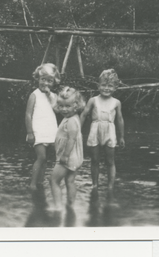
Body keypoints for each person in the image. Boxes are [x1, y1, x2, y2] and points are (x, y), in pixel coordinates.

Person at [80, 69, 125, 197]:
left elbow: (120, 119)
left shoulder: (116, 102)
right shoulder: (93, 100)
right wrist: (77, 130)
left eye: (110, 86)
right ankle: (95, 185)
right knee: (94, 159)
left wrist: (121, 136)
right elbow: (83, 115)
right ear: (98, 85)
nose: (106, 88)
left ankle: (110, 186)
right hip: (95, 130)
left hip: (109, 131)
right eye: (103, 85)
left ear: (115, 87)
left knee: (110, 161)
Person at [25, 63, 60, 192]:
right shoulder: (34, 95)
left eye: (49, 81)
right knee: (41, 157)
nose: (45, 83)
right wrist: (30, 132)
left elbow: (57, 110)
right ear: (38, 79)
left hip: (50, 130)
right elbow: (28, 114)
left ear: (54, 82)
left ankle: (40, 182)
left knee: (47, 160)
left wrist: (50, 95)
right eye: (43, 79)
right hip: (37, 131)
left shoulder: (54, 96)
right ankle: (33, 183)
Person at [50, 86, 85, 213]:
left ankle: (58, 208)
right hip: (75, 157)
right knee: (70, 181)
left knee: (53, 180)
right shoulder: (73, 117)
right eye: (61, 106)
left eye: (68, 106)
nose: (64, 109)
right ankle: (71, 207)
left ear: (76, 105)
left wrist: (64, 156)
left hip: (68, 156)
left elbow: (72, 139)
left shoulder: (71, 121)